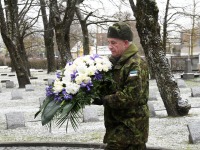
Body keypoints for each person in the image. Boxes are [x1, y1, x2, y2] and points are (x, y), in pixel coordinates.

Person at [94, 22, 149, 150]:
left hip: (131, 128)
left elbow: (130, 96)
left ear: (125, 43)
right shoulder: (114, 62)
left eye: (114, 43)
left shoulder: (135, 64)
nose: (110, 47)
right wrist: (92, 93)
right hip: (118, 126)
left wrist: (104, 100)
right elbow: (112, 87)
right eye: (108, 42)